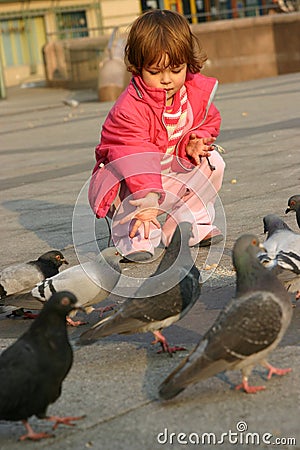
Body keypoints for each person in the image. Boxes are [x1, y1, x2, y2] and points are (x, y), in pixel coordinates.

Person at [89, 9, 225, 261]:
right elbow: (136, 156)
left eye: (176, 69)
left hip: (164, 173)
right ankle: (134, 235)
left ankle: (187, 225)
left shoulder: (192, 93)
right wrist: (149, 196)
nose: (167, 80)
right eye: (155, 72)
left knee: (212, 161)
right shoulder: (129, 109)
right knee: (137, 205)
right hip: (128, 181)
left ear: (187, 62)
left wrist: (195, 140)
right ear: (138, 68)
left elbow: (209, 120)